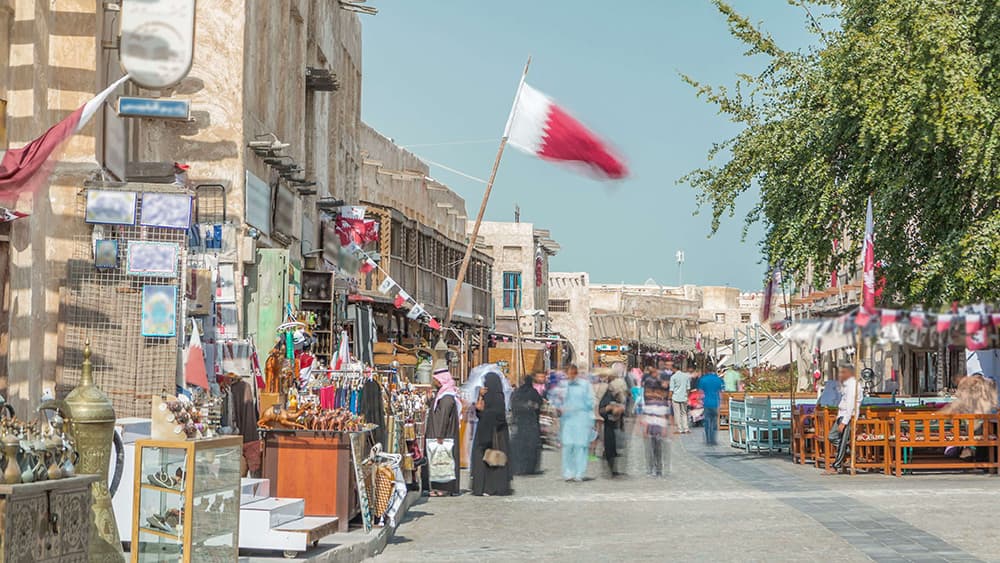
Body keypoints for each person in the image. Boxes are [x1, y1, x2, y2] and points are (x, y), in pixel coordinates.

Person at [471, 373, 513, 496]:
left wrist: (484, 412)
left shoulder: (498, 398)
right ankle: (484, 487)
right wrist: (479, 399)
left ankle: (490, 487)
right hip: (487, 433)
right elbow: (481, 413)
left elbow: (497, 416)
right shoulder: (488, 396)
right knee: (484, 461)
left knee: (492, 461)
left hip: (495, 435)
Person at [425, 368, 461, 496]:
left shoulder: (447, 397)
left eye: (436, 380)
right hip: (440, 433)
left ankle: (445, 488)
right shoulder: (443, 394)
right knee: (438, 461)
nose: (435, 382)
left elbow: (444, 417)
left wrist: (440, 435)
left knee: (444, 461)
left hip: (444, 435)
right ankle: (437, 487)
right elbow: (437, 410)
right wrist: (429, 400)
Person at [558, 365, 594, 482]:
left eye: (572, 374)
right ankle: (568, 473)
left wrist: (590, 419)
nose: (570, 376)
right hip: (567, 420)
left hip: (582, 419)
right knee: (568, 446)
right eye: (568, 374)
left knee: (580, 446)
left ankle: (579, 473)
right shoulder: (563, 386)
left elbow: (590, 402)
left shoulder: (584, 385)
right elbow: (557, 401)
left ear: (576, 373)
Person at [826, 362, 860, 474]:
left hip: (848, 416)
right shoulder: (846, 384)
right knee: (832, 436)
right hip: (841, 414)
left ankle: (835, 466)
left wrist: (845, 421)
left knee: (842, 441)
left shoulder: (853, 385)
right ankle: (848, 451)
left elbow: (851, 404)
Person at [510, 374, 544, 476]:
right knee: (530, 447)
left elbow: (513, 405)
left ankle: (518, 467)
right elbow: (539, 404)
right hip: (531, 423)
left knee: (519, 447)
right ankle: (529, 468)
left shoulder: (517, 392)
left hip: (520, 423)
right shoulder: (533, 392)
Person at [641, 374, 670, 476]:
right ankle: (650, 468)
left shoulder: (662, 403)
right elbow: (645, 417)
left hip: (658, 429)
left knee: (658, 449)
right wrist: (644, 429)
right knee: (649, 449)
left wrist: (664, 429)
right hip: (651, 429)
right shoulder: (648, 403)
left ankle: (658, 468)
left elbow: (663, 416)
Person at [599, 375, 628, 477]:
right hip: (609, 426)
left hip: (619, 425)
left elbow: (627, 409)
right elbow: (601, 410)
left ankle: (615, 469)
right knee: (610, 448)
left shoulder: (623, 398)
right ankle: (611, 470)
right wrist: (609, 408)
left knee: (618, 449)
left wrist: (621, 410)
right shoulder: (608, 395)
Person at [698, 369, 725, 446]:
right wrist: (721, 403)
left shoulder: (703, 379)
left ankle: (708, 440)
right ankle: (713, 440)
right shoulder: (718, 379)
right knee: (714, 423)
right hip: (715, 403)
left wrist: (700, 401)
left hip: (706, 403)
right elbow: (720, 392)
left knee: (707, 422)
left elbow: (701, 392)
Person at [669, 366, 692, 434]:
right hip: (684, 397)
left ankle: (679, 429)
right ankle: (686, 429)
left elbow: (671, 389)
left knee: (677, 414)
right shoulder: (686, 376)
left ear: (674, 369)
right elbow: (688, 388)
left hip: (675, 397)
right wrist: (686, 396)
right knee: (684, 413)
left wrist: (669, 398)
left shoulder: (673, 377)